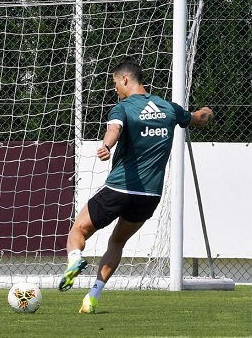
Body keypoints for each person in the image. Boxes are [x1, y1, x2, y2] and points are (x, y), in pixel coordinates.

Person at [57, 58, 213, 313]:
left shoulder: (123, 107)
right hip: (149, 195)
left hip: (120, 188)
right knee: (117, 242)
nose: (115, 89)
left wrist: (106, 146)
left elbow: (114, 130)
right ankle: (93, 296)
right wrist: (207, 111)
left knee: (79, 231)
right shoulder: (169, 109)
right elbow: (198, 118)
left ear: (125, 79)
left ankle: (74, 260)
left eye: (115, 83)